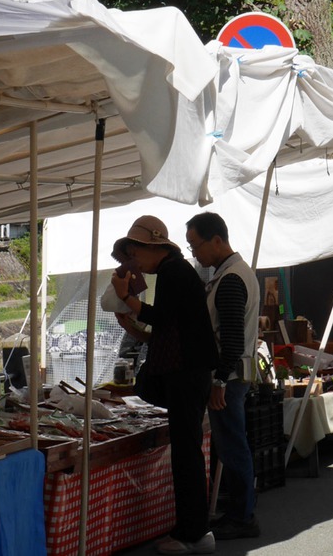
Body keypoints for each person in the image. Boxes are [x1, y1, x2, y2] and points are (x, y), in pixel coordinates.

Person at [109, 215, 219, 554]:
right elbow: (169, 326)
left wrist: (127, 298)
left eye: (133, 253)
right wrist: (134, 323)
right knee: (187, 452)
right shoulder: (177, 271)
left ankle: (192, 533)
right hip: (190, 371)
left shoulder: (174, 272)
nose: (132, 261)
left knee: (186, 454)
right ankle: (193, 530)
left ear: (151, 247)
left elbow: (161, 318)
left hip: (187, 373)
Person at [184, 212, 261, 542]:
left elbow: (230, 339)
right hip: (231, 375)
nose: (195, 254)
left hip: (229, 378)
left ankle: (242, 516)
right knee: (232, 445)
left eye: (196, 246)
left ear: (217, 240)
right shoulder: (233, 274)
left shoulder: (231, 279)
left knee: (233, 446)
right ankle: (239, 512)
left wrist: (218, 381)